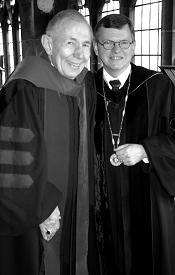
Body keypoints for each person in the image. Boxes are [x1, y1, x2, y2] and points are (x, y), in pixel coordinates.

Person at [0, 9, 100, 275]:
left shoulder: (85, 84)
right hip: (40, 214)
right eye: (70, 43)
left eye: (86, 45)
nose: (80, 55)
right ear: (48, 44)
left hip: (76, 208)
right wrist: (43, 206)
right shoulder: (26, 88)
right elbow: (11, 161)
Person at [93, 13, 175, 275]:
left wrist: (147, 150)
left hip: (149, 199)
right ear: (96, 47)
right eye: (107, 43)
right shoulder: (82, 89)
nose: (116, 50)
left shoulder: (159, 86)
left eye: (123, 43)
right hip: (98, 200)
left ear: (134, 45)